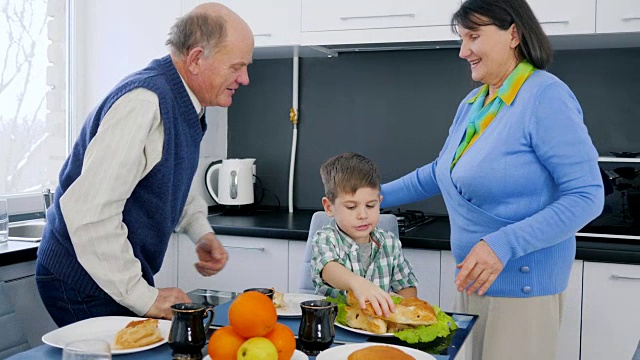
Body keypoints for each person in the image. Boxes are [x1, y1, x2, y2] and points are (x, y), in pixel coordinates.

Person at [380, 0, 604, 358]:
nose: (463, 51)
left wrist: (502, 244)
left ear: (513, 33)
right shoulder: (475, 102)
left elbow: (588, 195)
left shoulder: (545, 96)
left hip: (523, 287)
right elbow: (441, 172)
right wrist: (372, 198)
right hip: (474, 283)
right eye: (460, 38)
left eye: (473, 36)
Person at [35, 3, 254, 327]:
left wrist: (201, 233)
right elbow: (88, 215)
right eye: (237, 66)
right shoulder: (144, 103)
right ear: (196, 59)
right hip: (79, 277)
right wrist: (147, 298)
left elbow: (170, 181)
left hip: (107, 271)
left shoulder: (184, 104)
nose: (245, 79)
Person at [310, 153, 418, 317]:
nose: (363, 215)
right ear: (329, 207)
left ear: (379, 202)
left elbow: (406, 285)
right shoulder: (326, 238)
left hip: (377, 328)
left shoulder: (389, 243)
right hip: (333, 328)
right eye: (351, 207)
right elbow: (328, 268)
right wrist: (357, 283)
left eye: (370, 205)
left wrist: (405, 309)